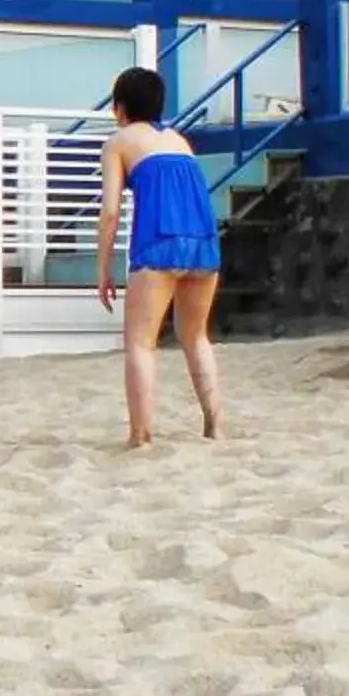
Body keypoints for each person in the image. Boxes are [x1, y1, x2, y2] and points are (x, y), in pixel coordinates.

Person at [94, 65, 226, 448]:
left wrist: (103, 268)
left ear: (120, 108)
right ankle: (215, 426)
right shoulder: (179, 141)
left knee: (140, 342)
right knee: (196, 336)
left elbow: (110, 211)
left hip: (159, 240)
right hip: (203, 238)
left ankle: (141, 434)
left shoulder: (119, 142)